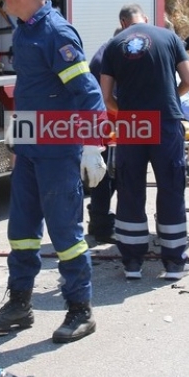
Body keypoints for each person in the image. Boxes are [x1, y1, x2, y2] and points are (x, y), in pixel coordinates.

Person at [0, 0, 107, 343]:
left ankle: (80, 311)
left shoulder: (55, 33)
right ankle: (19, 304)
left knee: (66, 233)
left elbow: (88, 93)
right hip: (31, 150)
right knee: (21, 232)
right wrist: (18, 144)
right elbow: (29, 95)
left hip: (57, 151)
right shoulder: (26, 32)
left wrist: (91, 146)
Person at [101, 4, 189, 280]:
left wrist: (129, 113)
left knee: (130, 188)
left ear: (123, 22)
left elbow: (107, 97)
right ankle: (175, 264)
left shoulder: (113, 45)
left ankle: (132, 263)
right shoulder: (169, 37)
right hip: (165, 119)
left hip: (132, 123)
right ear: (145, 18)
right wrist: (170, 100)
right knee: (170, 186)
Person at [86, 27, 124, 244]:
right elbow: (109, 96)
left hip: (104, 124)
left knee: (107, 178)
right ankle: (102, 227)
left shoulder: (105, 52)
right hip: (106, 125)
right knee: (107, 178)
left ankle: (97, 221)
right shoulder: (108, 57)